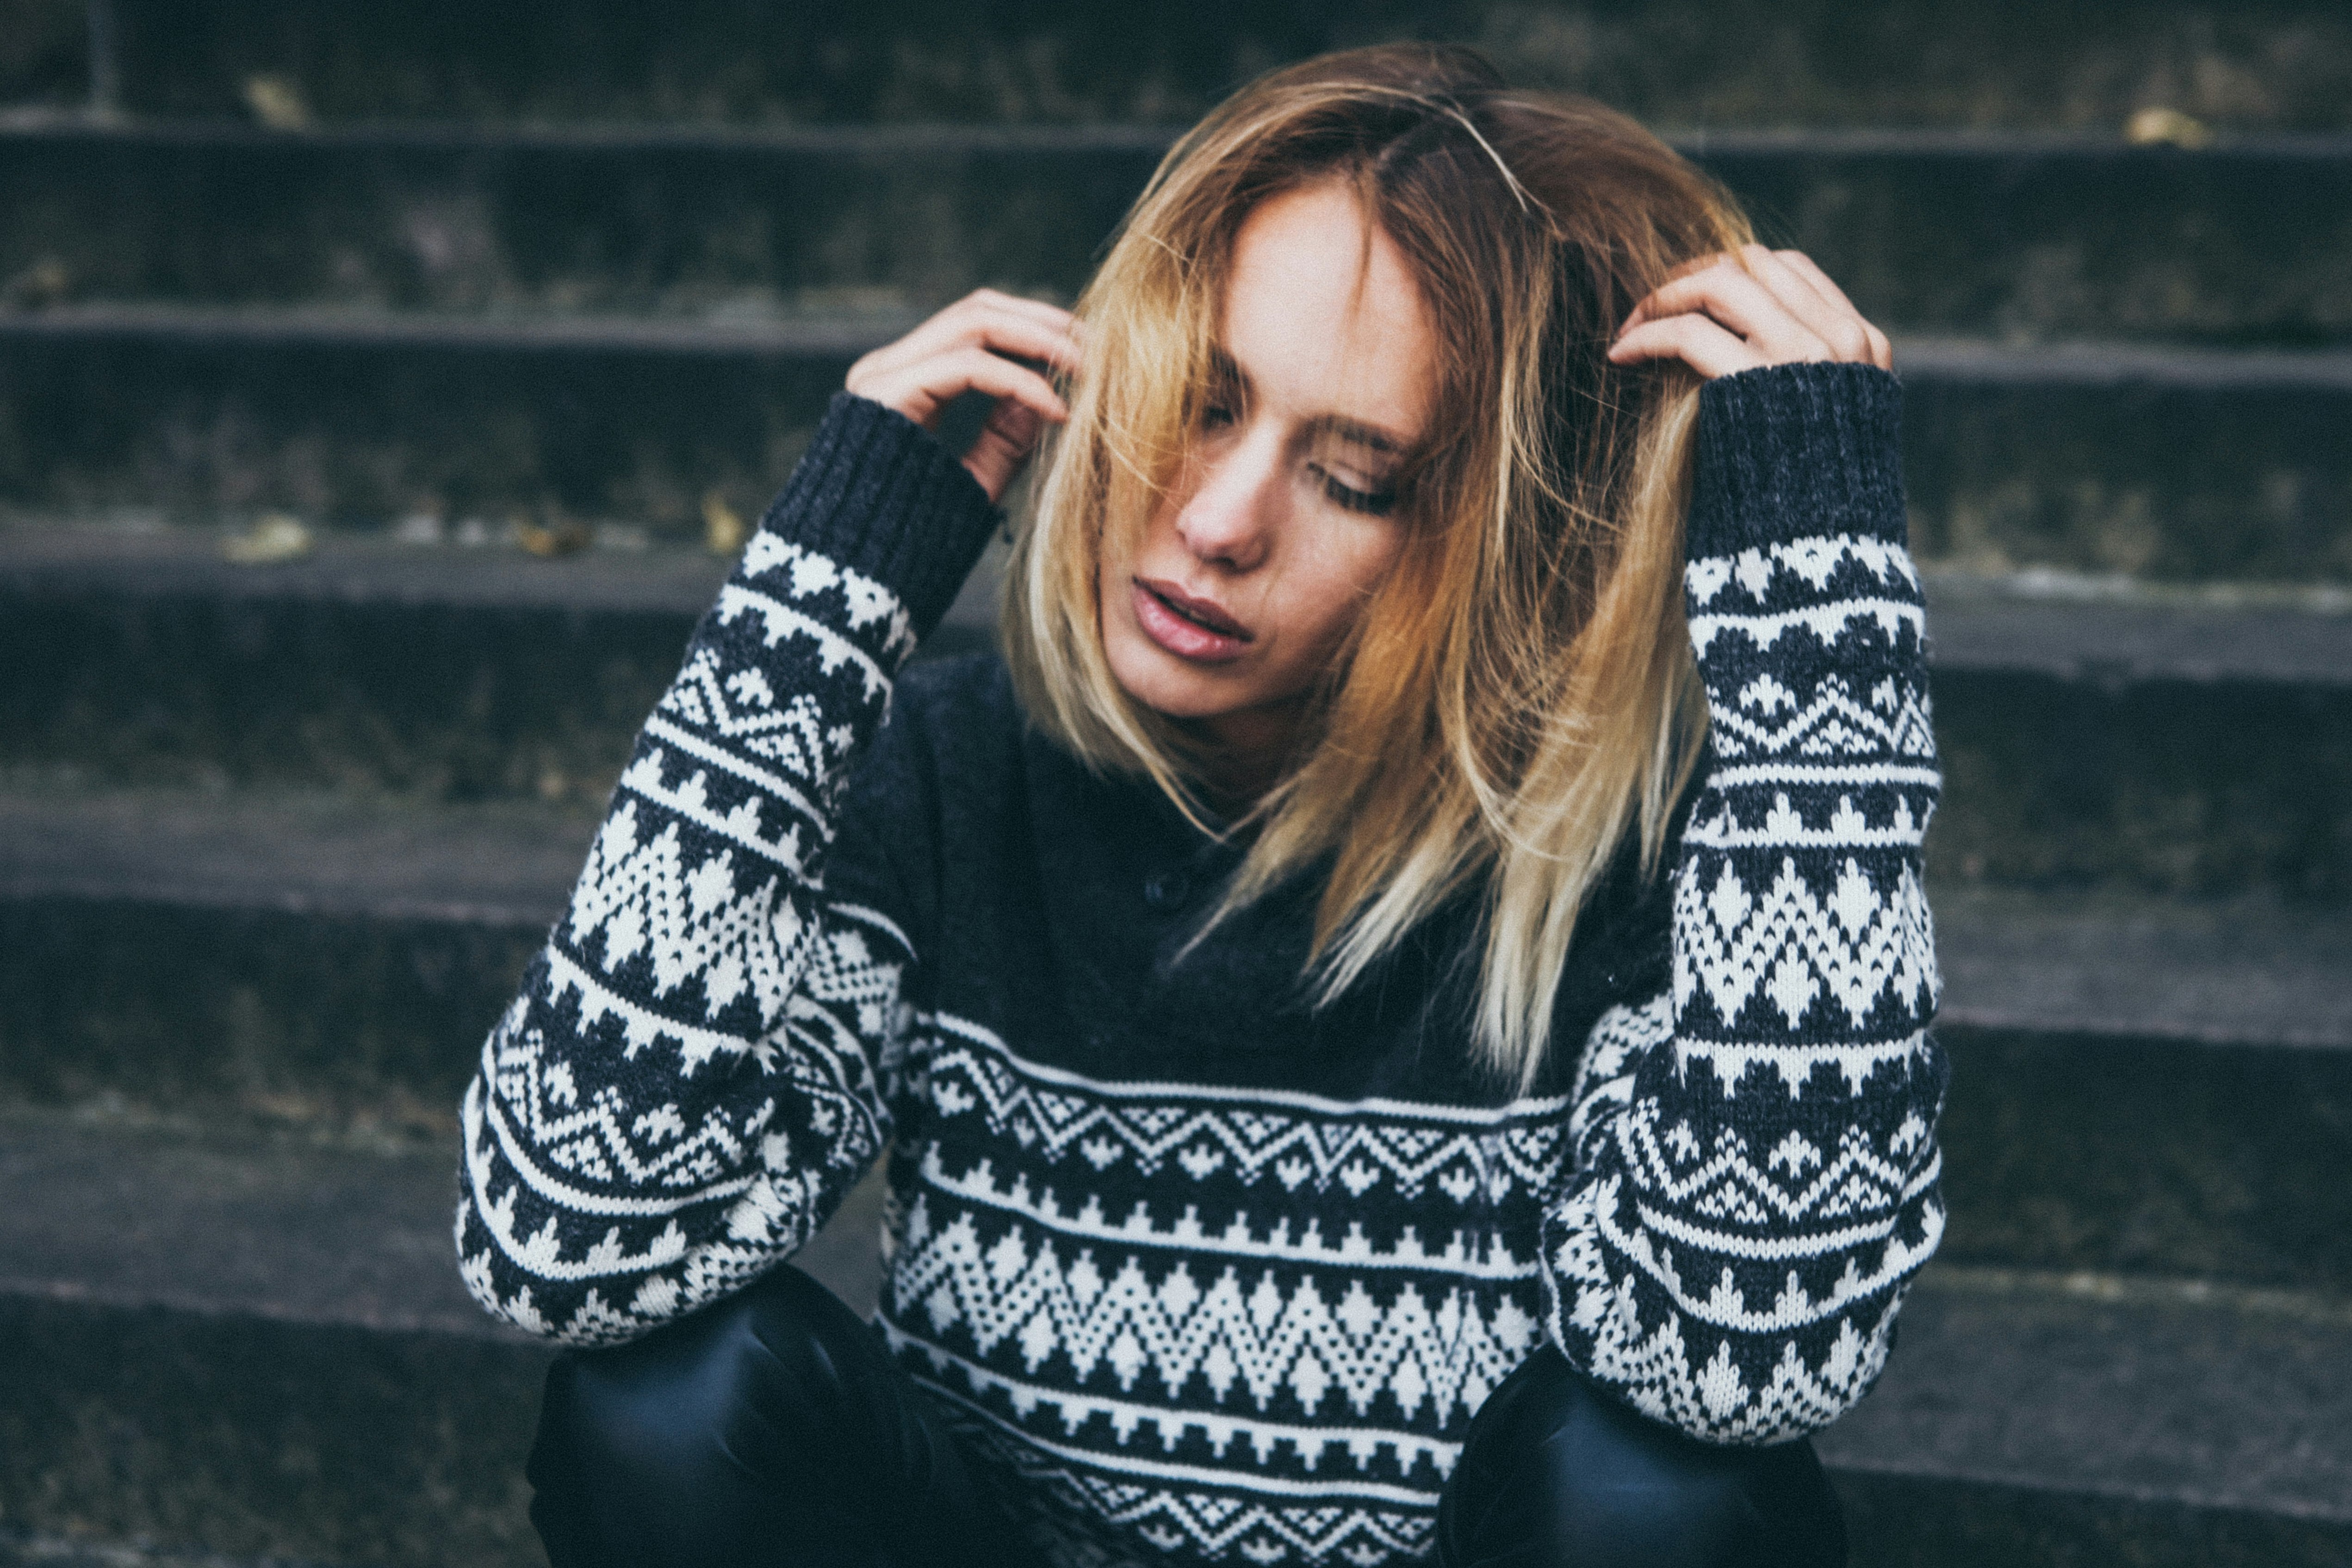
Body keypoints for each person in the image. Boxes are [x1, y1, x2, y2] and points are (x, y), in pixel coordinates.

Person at [455, 43, 1942, 1568]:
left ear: (1524, 555)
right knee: (668, 1400)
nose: (1218, 522)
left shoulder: (1658, 862)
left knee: (1661, 1492)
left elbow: (1746, 1364)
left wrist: (1820, 657)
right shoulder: (953, 772)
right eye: (1201, 399)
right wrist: (808, 611)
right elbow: (567, 1248)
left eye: (1357, 480)